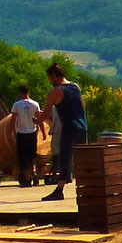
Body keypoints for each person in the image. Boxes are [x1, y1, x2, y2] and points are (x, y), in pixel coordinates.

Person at [41, 63, 88, 202]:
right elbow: (82, 106)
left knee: (65, 159)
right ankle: (87, 188)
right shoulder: (75, 86)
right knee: (83, 159)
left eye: (50, 78)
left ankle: (59, 190)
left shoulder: (55, 92)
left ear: (55, 76)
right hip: (82, 126)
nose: (50, 81)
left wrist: (37, 121)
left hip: (69, 127)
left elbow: (45, 115)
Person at [10, 83, 46, 187]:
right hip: (32, 132)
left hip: (21, 133)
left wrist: (10, 133)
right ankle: (33, 172)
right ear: (28, 92)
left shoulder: (16, 105)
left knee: (23, 156)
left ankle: (27, 177)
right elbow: (40, 119)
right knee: (32, 155)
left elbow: (13, 120)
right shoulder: (35, 104)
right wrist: (43, 132)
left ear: (20, 93)